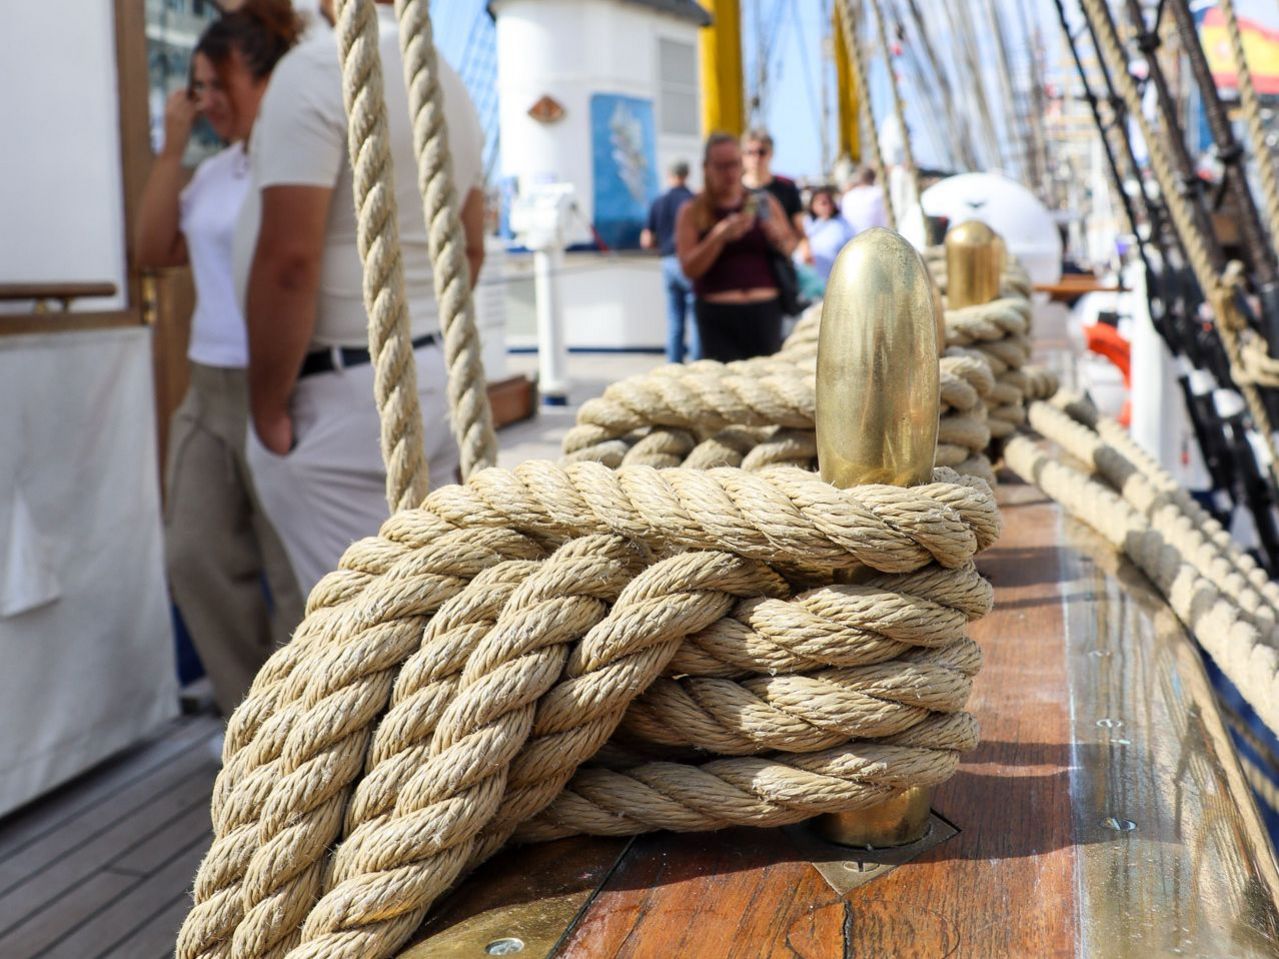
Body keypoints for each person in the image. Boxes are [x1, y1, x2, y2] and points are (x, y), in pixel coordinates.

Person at [233, 0, 485, 594]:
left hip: (340, 400)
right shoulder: (447, 80)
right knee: (432, 602)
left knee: (366, 622)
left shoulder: (315, 69)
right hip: (434, 376)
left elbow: (290, 264)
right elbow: (471, 248)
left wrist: (267, 410)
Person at [134, 0, 304, 715]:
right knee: (194, 554)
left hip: (283, 382)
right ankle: (248, 716)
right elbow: (153, 250)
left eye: (216, 83)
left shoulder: (297, 164)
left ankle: (303, 721)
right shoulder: (210, 173)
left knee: (289, 567)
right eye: (196, 85)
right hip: (208, 386)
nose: (204, 99)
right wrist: (172, 148)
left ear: (264, 79)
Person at [675, 132, 798, 363]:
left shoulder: (762, 202)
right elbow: (689, 268)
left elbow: (790, 246)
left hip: (765, 310)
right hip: (718, 316)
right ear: (706, 168)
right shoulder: (692, 210)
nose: (729, 173)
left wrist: (778, 237)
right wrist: (719, 236)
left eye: (733, 164)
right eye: (721, 167)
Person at [641, 161, 698, 363]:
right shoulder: (693, 200)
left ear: (668, 174)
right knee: (696, 319)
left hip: (667, 262)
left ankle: (673, 366)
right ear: (687, 174)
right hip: (689, 262)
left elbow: (646, 240)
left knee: (675, 320)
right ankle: (698, 365)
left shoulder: (659, 202)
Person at [741, 128, 804, 241]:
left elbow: (800, 232)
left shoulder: (787, 187)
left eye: (761, 152)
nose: (756, 158)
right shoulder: (734, 189)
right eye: (750, 152)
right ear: (742, 155)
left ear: (771, 154)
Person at [800, 185, 856, 284]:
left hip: (842, 275)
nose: (826, 206)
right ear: (813, 206)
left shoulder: (842, 222)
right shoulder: (808, 223)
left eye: (828, 202)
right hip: (818, 279)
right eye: (822, 203)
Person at [841, 166, 888, 235]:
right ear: (873, 178)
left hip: (852, 237)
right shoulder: (878, 193)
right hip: (875, 236)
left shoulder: (847, 196)